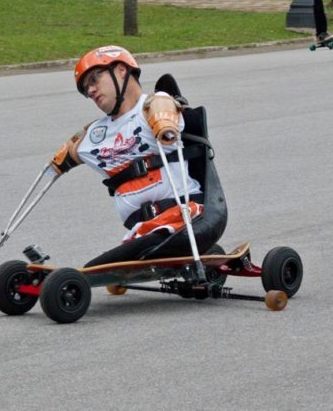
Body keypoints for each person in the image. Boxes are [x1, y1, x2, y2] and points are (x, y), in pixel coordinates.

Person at [49, 45, 217, 268]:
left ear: (120, 70)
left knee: (100, 266)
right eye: (85, 88)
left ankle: (86, 275)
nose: (90, 90)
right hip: (142, 231)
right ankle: (95, 271)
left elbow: (167, 115)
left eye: (94, 79)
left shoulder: (153, 107)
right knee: (111, 260)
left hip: (181, 220)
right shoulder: (95, 134)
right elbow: (58, 162)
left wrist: (164, 124)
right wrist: (58, 163)